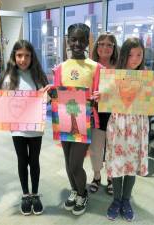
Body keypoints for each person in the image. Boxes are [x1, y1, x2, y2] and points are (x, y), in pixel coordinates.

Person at [105, 37, 154, 221]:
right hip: (118, 125)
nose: (134, 59)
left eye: (139, 54)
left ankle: (126, 200)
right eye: (130, 55)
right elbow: (107, 97)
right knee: (117, 163)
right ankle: (116, 200)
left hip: (138, 126)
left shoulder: (147, 76)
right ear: (123, 56)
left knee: (131, 164)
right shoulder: (114, 74)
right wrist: (100, 95)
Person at [53, 23, 102, 216]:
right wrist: (51, 95)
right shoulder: (60, 68)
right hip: (65, 118)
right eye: (74, 39)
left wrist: (100, 97)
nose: (78, 43)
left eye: (82, 39)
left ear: (88, 40)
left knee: (75, 163)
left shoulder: (96, 67)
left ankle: (83, 194)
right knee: (67, 160)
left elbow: (101, 97)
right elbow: (57, 96)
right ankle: (74, 190)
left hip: (85, 121)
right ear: (68, 40)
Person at [0, 40, 51, 216]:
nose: (23, 59)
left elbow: (46, 100)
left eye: (27, 55)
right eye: (19, 55)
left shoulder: (38, 76)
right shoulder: (8, 79)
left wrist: (48, 96)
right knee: (22, 160)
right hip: (17, 128)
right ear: (14, 56)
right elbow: (3, 103)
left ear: (32, 57)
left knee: (34, 160)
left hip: (35, 127)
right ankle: (25, 194)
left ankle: (35, 193)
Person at [89, 32, 119, 195]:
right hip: (95, 115)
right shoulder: (90, 66)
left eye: (109, 45)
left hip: (115, 115)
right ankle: (96, 176)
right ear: (96, 46)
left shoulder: (120, 67)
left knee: (112, 149)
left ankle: (111, 178)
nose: (105, 47)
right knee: (95, 149)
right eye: (101, 43)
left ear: (114, 48)